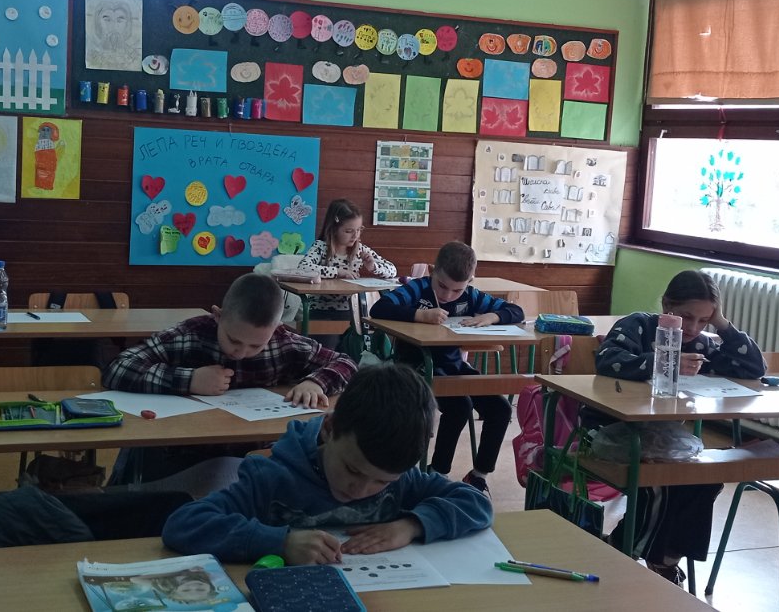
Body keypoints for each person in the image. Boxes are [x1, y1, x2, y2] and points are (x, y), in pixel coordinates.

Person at [162, 362, 492, 564]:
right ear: (329, 429)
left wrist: (412, 525)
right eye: (352, 469)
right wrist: (279, 542)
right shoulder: (272, 478)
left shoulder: (404, 480)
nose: (361, 489)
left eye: (382, 482)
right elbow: (183, 524)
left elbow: (476, 502)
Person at [591, 270, 766, 584]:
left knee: (704, 478)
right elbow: (608, 360)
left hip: (661, 437)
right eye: (686, 317)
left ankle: (665, 558)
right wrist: (661, 361)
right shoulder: (638, 325)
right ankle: (623, 549)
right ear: (667, 306)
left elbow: (754, 367)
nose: (694, 328)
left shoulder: (701, 343)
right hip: (611, 430)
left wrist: (722, 324)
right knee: (660, 481)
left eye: (704, 320)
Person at [103, 273, 356, 481]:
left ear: (277, 328)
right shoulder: (190, 334)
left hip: (255, 455)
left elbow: (346, 363)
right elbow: (119, 367)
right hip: (184, 454)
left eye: (256, 345)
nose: (241, 352)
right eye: (233, 340)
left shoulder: (284, 343)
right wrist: (190, 379)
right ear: (218, 315)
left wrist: (315, 382)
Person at [369, 241, 523, 494]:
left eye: (457, 290)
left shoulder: (471, 295)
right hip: (415, 368)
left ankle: (478, 475)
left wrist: (492, 316)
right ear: (433, 271)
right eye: (442, 286)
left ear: (470, 281)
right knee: (460, 405)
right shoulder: (417, 289)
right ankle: (438, 472)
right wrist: (420, 315)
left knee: (500, 408)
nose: (448, 295)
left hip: (453, 366)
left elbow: (515, 311)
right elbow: (380, 308)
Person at [296, 199, 397, 348]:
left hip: (353, 312)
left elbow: (392, 270)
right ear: (334, 228)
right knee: (327, 352)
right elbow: (303, 268)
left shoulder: (360, 250)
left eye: (359, 230)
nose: (355, 236)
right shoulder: (321, 248)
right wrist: (337, 272)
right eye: (349, 231)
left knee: (353, 351)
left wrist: (373, 267)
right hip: (322, 312)